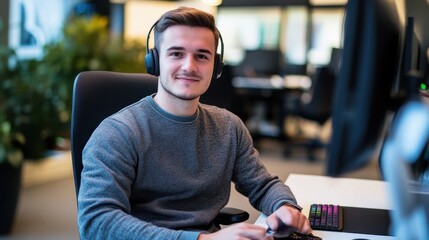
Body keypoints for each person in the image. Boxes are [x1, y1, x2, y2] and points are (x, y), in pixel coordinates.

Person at [78, 6, 311, 240]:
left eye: (201, 56)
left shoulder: (228, 127)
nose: (189, 66)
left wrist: (284, 206)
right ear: (155, 61)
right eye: (176, 53)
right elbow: (96, 221)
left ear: (216, 67)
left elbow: (262, 184)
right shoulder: (118, 133)